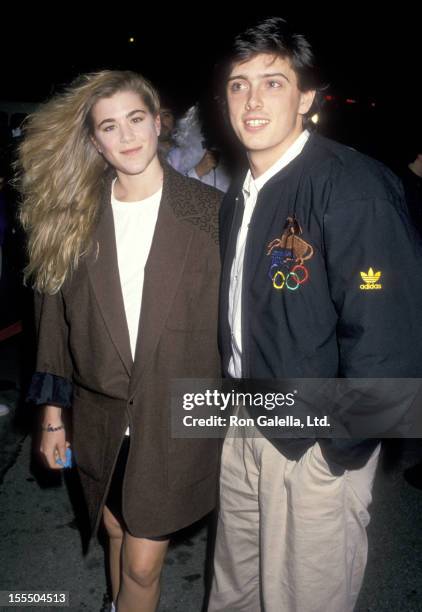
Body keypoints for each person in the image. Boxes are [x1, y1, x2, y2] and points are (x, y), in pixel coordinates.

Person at [208, 17, 422, 612]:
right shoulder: (240, 195)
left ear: (306, 97)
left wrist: (339, 451)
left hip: (313, 444)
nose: (251, 100)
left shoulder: (352, 187)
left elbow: (388, 340)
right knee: (236, 592)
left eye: (273, 83)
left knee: (304, 599)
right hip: (246, 420)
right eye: (238, 84)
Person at [17, 70, 222, 612]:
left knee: (142, 562)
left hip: (174, 417)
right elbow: (53, 327)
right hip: (99, 414)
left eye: (136, 119)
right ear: (94, 140)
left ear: (159, 122)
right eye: (110, 126)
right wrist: (52, 417)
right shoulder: (71, 219)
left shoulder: (213, 215)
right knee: (113, 530)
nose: (127, 136)